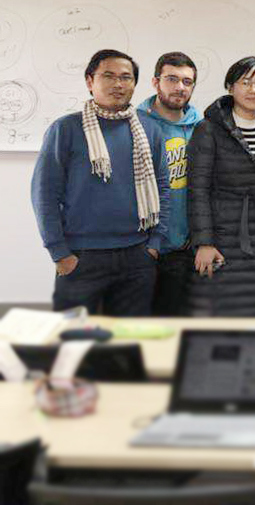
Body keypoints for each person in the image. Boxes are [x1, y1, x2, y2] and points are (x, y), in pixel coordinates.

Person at [33, 49, 170, 316]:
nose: (118, 84)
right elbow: (44, 194)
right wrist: (60, 253)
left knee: (128, 338)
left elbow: (162, 188)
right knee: (73, 338)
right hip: (81, 257)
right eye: (108, 76)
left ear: (134, 84)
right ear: (90, 81)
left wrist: (154, 244)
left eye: (126, 77)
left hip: (137, 256)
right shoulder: (66, 129)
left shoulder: (150, 130)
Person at [188, 57, 255, 316]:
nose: (253, 90)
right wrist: (204, 242)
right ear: (230, 87)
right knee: (225, 309)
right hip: (222, 235)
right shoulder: (208, 129)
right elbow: (198, 189)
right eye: (246, 83)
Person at [137, 52, 202, 316]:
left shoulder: (201, 127)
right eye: (172, 79)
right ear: (156, 82)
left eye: (187, 81)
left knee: (175, 323)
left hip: (183, 247)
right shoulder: (135, 124)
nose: (180, 87)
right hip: (142, 246)